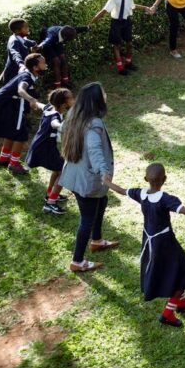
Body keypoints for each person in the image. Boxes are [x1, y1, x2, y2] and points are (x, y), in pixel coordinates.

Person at [103, 163, 185, 327]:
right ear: (165, 179)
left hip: (150, 240)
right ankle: (168, 312)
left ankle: (181, 302)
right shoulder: (166, 199)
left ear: (146, 179)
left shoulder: (140, 193)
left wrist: (106, 181)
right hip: (165, 242)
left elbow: (121, 190)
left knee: (175, 270)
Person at [57, 82, 118, 273]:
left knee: (102, 200)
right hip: (88, 179)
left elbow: (60, 135)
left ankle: (97, 241)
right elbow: (94, 149)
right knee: (87, 219)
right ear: (96, 100)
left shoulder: (74, 117)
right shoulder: (94, 123)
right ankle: (77, 261)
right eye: (103, 93)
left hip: (76, 175)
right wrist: (104, 172)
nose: (106, 95)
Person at [0, 52, 46, 176]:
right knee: (21, 133)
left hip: (3, 102)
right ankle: (14, 164)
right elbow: (21, 90)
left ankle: (4, 158)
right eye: (43, 63)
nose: (45, 64)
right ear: (35, 68)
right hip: (7, 103)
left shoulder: (28, 72)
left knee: (12, 130)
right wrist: (31, 99)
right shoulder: (27, 77)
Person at [27, 87, 74, 214]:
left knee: (58, 168)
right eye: (71, 99)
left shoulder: (49, 107)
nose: (73, 100)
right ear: (63, 103)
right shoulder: (55, 116)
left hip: (43, 145)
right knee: (64, 170)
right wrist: (63, 126)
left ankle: (50, 194)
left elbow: (39, 105)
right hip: (44, 148)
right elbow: (54, 124)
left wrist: (32, 101)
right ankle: (50, 203)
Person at [89, 0, 152, 75]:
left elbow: (132, 6)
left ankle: (128, 63)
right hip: (116, 23)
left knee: (129, 43)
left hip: (126, 22)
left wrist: (144, 8)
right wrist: (92, 22)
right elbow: (103, 11)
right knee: (116, 45)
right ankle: (120, 68)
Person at [37, 24, 91, 88]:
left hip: (57, 41)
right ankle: (58, 85)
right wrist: (38, 47)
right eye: (71, 39)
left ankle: (65, 82)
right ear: (65, 37)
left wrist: (87, 28)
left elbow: (76, 29)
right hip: (47, 44)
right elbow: (46, 41)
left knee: (63, 58)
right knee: (56, 61)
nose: (73, 39)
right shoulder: (51, 36)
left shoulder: (67, 31)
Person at [0, 18, 36, 86]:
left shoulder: (20, 38)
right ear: (17, 31)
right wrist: (21, 64)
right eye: (25, 28)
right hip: (13, 73)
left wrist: (34, 44)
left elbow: (28, 42)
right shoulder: (14, 41)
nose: (28, 29)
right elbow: (15, 53)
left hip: (20, 71)